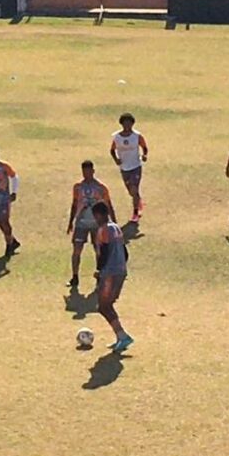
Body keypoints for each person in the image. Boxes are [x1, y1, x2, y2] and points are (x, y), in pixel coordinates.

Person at [67, 160, 115, 287]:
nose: (86, 174)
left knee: (98, 250)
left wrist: (113, 223)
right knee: (77, 249)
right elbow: (74, 203)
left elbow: (108, 205)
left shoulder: (100, 188)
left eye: (88, 171)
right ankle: (75, 276)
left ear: (93, 171)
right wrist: (71, 222)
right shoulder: (78, 187)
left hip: (96, 224)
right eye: (84, 171)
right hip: (81, 223)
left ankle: (100, 274)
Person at [92, 202, 133, 351]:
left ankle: (123, 337)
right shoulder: (116, 228)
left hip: (110, 272)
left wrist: (100, 271)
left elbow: (104, 253)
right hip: (120, 271)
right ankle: (121, 336)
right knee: (106, 305)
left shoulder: (103, 230)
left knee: (103, 306)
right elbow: (125, 252)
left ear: (98, 215)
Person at [109, 113, 148, 223]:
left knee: (134, 189)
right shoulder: (117, 137)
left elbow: (144, 147)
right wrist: (116, 159)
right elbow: (112, 150)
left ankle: (135, 212)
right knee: (131, 192)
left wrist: (144, 155)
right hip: (124, 167)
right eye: (125, 123)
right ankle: (138, 201)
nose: (127, 125)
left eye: (129, 123)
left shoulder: (137, 136)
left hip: (135, 166)